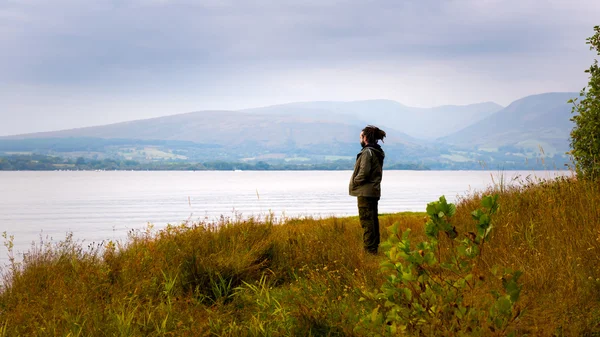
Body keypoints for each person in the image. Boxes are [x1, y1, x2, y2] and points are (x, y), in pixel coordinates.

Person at [349, 125, 386, 254]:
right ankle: (374, 247)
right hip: (373, 191)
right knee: (373, 220)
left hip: (365, 192)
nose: (360, 139)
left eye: (360, 136)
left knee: (366, 221)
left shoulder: (367, 152)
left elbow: (364, 172)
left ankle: (370, 251)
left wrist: (355, 181)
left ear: (365, 138)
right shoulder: (376, 151)